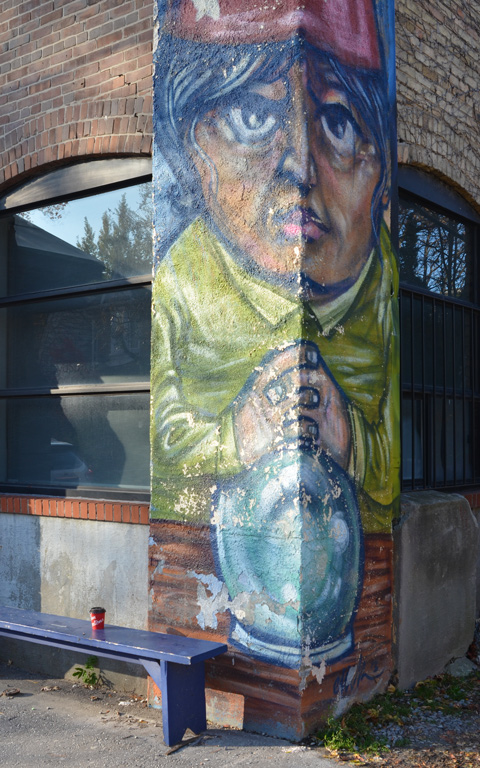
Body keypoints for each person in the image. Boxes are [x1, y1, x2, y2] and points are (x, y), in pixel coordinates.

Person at [151, 0, 399, 538]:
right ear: (194, 151)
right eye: (253, 117)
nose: (301, 165)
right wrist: (238, 437)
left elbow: (393, 459)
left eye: (338, 122)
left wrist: (348, 436)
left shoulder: (381, 282)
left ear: (381, 176)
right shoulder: (184, 276)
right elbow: (164, 453)